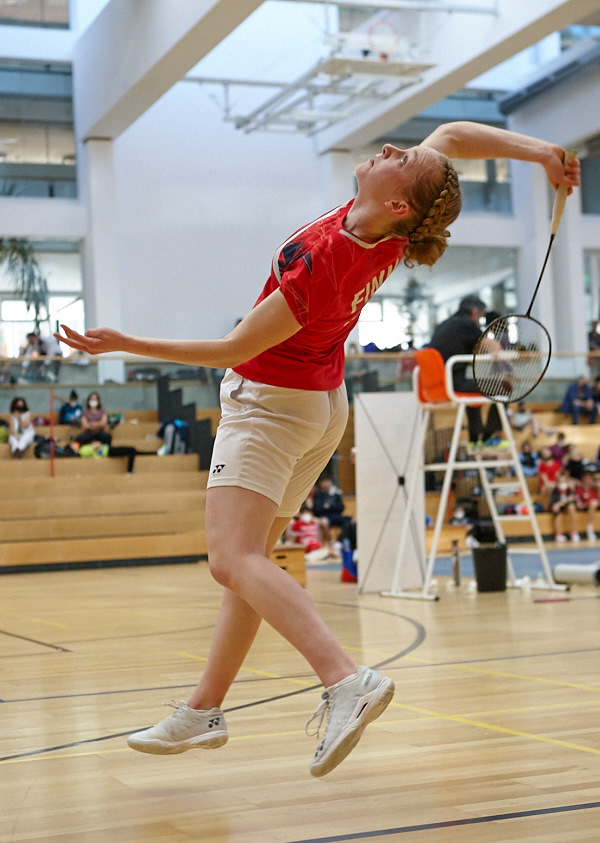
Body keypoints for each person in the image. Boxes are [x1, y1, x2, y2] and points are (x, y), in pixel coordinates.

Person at [54, 121, 579, 778]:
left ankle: (344, 679)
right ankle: (204, 708)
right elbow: (449, 137)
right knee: (251, 565)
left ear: (398, 202)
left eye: (400, 157)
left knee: (231, 559)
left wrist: (126, 343)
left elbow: (234, 348)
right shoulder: (395, 224)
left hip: (270, 407)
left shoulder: (329, 259)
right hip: (318, 406)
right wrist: (542, 153)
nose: (390, 148)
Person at [428, 294, 502, 443]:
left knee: (472, 392)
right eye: (481, 316)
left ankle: (476, 438)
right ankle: (488, 436)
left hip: (434, 386)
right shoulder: (466, 324)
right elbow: (494, 348)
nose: (480, 320)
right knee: (504, 387)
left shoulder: (446, 324)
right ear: (474, 312)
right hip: (453, 385)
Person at [549, 471, 578, 543]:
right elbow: (554, 505)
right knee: (557, 512)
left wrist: (563, 502)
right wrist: (562, 503)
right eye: (560, 481)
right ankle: (558, 534)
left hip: (566, 506)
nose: (562, 483)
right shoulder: (555, 491)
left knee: (572, 507)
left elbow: (572, 498)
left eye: (564, 481)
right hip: (558, 508)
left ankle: (573, 532)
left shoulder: (569, 490)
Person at [574, 472, 599, 542]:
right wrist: (585, 504)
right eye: (586, 478)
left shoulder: (594, 489)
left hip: (592, 506)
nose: (588, 480)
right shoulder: (579, 489)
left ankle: (589, 527)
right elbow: (578, 504)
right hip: (583, 507)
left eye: (590, 478)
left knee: (593, 503)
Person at [538, 445, 562, 510]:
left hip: (555, 483)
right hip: (545, 485)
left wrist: (556, 483)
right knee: (549, 488)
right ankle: (549, 507)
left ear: (550, 452)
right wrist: (552, 484)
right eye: (543, 453)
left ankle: (556, 505)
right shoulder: (542, 465)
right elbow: (545, 480)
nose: (545, 454)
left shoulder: (556, 463)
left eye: (546, 452)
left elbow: (558, 477)